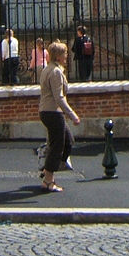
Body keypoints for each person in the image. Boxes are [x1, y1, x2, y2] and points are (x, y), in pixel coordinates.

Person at [38, 41, 80, 192]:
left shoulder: (48, 69)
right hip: (53, 112)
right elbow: (59, 97)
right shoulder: (55, 72)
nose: (67, 56)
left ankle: (47, 169)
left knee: (67, 141)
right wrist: (72, 114)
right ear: (59, 55)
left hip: (47, 111)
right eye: (65, 53)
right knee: (58, 146)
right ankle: (48, 180)